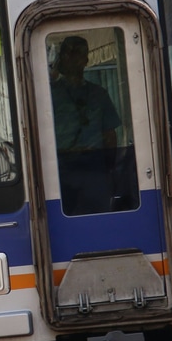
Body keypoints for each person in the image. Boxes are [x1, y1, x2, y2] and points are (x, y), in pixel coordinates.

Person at [49, 35, 121, 214]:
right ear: (61, 58)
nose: (71, 58)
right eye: (67, 53)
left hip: (94, 169)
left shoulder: (99, 94)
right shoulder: (48, 95)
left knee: (99, 219)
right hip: (60, 169)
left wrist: (109, 171)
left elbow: (110, 136)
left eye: (76, 53)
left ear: (86, 59)